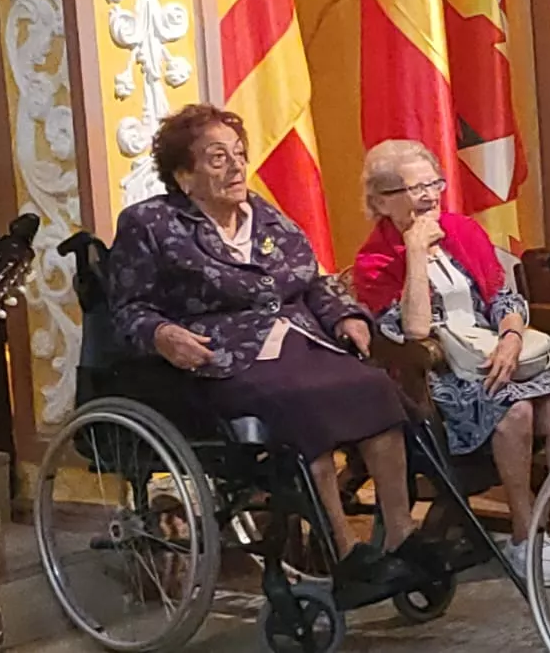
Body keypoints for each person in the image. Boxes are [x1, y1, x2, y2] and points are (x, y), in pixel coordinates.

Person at [105, 105, 430, 595]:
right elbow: (128, 306)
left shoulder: (265, 215)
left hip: (300, 339)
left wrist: (346, 315)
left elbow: (313, 280)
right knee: (299, 407)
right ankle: (343, 550)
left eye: (238, 154)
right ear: (184, 175)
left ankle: (401, 534)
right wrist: (161, 334)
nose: (236, 167)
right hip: (222, 356)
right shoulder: (150, 224)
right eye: (218, 158)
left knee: (373, 386)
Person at [352, 140, 550, 587]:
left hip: (493, 355)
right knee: (516, 411)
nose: (429, 195)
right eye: (413, 188)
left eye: (433, 182)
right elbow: (412, 333)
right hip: (436, 382)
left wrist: (511, 336)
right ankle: (524, 534)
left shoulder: (462, 231)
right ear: (380, 201)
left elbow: (504, 297)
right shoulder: (374, 261)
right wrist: (414, 252)